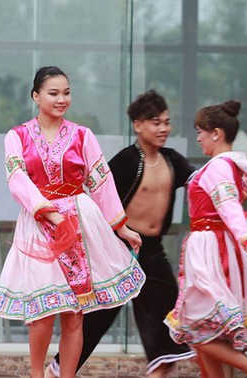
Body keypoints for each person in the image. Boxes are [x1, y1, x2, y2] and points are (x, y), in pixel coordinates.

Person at [0, 66, 145, 378]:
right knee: (43, 313)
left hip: (78, 223)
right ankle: (37, 375)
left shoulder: (82, 135)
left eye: (66, 93)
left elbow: (101, 181)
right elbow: (17, 179)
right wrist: (49, 212)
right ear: (35, 96)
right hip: (38, 224)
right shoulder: (16, 137)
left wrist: (121, 227)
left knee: (74, 314)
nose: (62, 99)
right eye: (53, 93)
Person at [45, 90, 195, 377]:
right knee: (95, 322)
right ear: (138, 125)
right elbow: (98, 196)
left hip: (152, 252)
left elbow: (202, 182)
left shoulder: (172, 160)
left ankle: (160, 371)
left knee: (169, 323)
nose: (163, 128)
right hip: (117, 250)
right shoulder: (127, 160)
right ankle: (57, 372)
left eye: (166, 122)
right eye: (155, 122)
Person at [165, 100, 247, 378]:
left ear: (216, 133)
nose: (198, 138)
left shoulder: (219, 166)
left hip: (212, 250)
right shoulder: (226, 165)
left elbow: (229, 204)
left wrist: (244, 237)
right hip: (212, 246)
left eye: (200, 132)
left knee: (195, 326)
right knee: (206, 332)